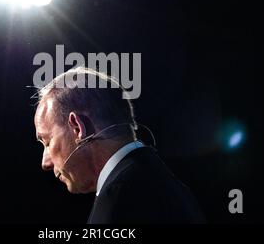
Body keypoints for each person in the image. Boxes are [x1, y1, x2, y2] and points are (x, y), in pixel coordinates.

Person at [33, 67, 205, 223]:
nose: (45, 163)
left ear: (78, 127)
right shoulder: (173, 187)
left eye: (47, 142)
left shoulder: (117, 201)